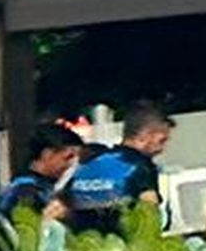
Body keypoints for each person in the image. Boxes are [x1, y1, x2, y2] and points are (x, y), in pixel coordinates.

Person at [64, 101, 175, 235]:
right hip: (122, 240)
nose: (162, 149)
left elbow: (64, 205)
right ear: (144, 136)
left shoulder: (90, 162)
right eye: (161, 141)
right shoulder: (140, 166)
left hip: (83, 240)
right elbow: (149, 209)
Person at [0, 123, 84, 221]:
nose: (71, 164)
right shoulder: (25, 192)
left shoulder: (48, 188)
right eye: (68, 157)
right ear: (47, 154)